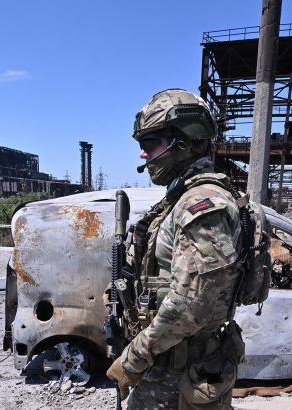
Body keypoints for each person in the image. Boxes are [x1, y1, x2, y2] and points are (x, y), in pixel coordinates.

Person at [106, 89, 244, 409]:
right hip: (172, 361)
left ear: (185, 140)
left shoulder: (201, 204)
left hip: (177, 371)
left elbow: (191, 305)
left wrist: (133, 360)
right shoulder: (181, 198)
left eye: (150, 143)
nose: (143, 154)